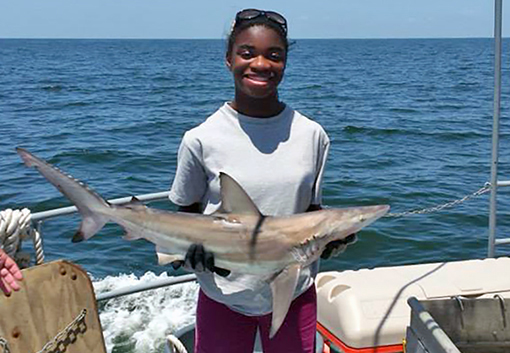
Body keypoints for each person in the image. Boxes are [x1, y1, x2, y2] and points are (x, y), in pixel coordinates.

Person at [169, 9, 355, 353]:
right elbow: (185, 214)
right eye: (247, 53)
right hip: (223, 296)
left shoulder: (312, 135)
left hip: (295, 293)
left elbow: (311, 209)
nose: (260, 64)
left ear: (285, 62)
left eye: (274, 55)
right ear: (228, 60)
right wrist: (188, 252)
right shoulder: (201, 138)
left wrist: (333, 238)